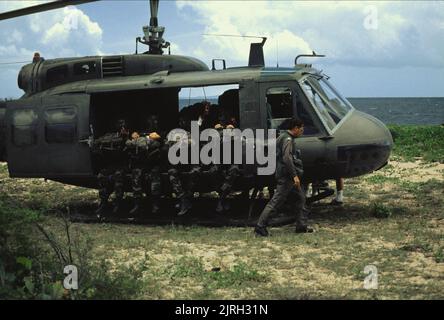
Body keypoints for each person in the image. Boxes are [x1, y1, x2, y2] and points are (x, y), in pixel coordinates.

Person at [254, 118, 313, 237]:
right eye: (301, 129)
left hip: (286, 175)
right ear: (295, 128)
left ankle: (301, 226)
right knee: (276, 202)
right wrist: (294, 176)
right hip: (287, 177)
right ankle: (260, 227)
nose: (302, 131)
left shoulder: (282, 136)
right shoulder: (288, 139)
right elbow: (287, 158)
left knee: (300, 199)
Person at [94, 119, 129, 218]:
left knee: (118, 177)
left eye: (123, 124)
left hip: (122, 164)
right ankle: (104, 202)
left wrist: (124, 138)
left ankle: (118, 203)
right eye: (119, 123)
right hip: (112, 164)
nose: (121, 126)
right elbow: (99, 143)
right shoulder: (110, 135)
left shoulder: (128, 135)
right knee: (102, 175)